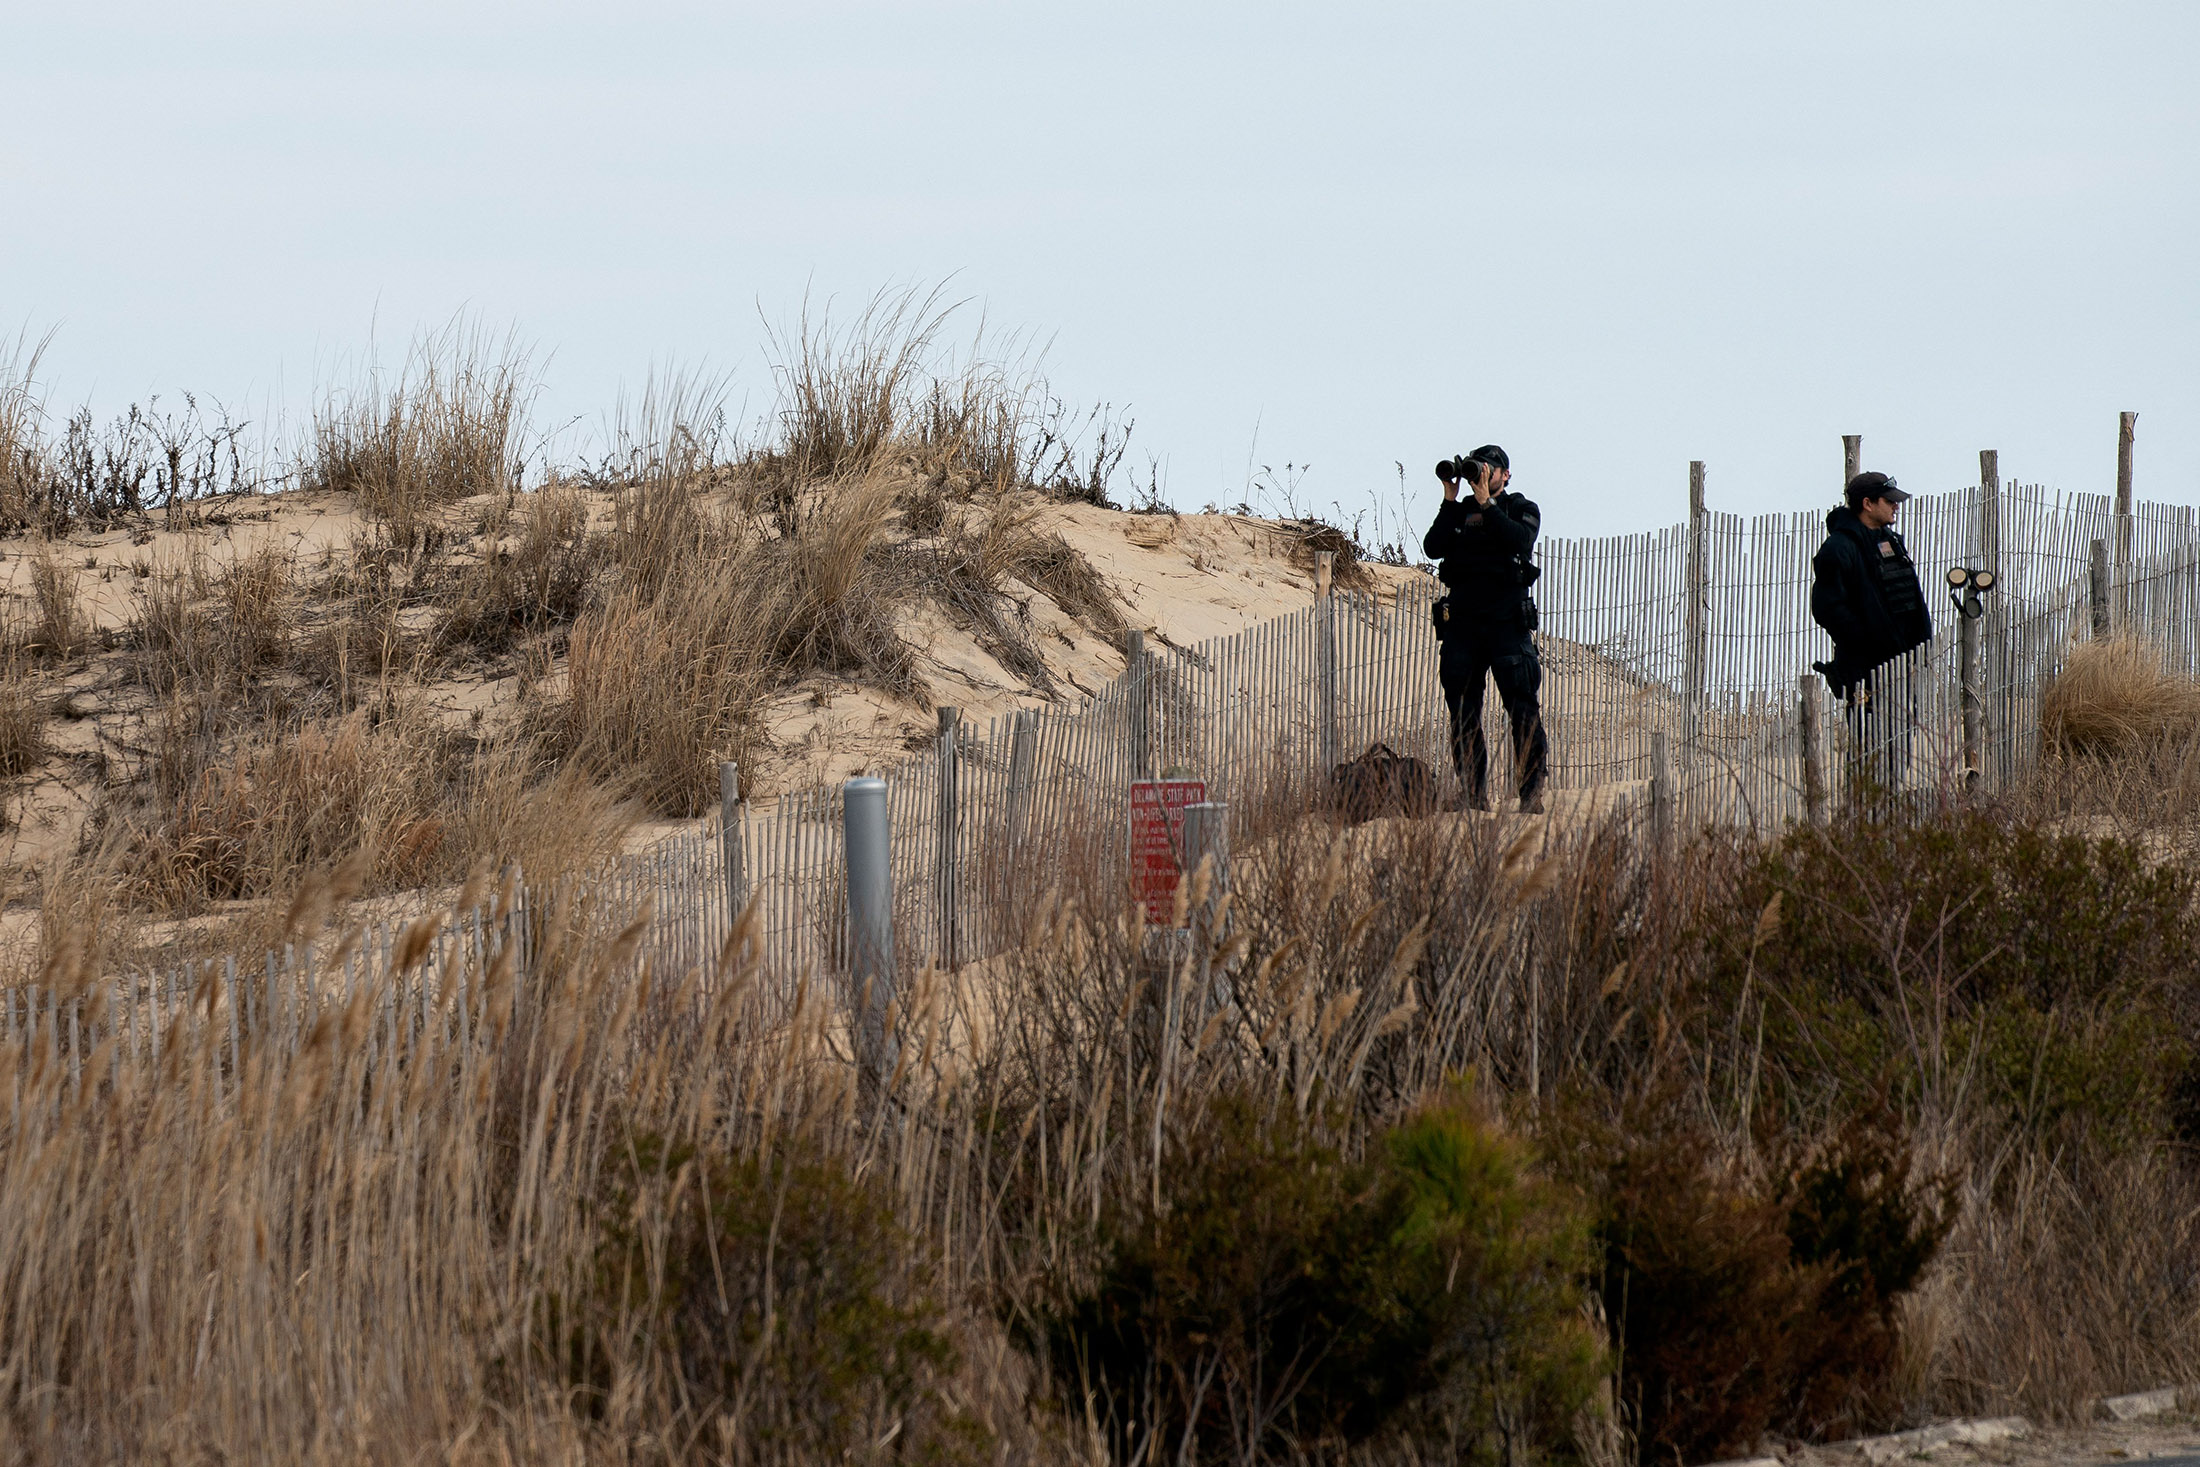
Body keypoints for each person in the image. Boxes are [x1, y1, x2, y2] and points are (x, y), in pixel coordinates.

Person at [1423, 445, 1547, 813]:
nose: (1482, 474)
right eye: (1478, 468)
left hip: (1507, 624)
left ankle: (1530, 796)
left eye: (1489, 469)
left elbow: (1520, 540)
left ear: (1505, 475)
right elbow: (1433, 547)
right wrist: (1450, 498)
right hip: (1463, 624)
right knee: (1462, 711)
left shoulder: (1520, 509)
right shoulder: (1460, 514)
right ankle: (1472, 794)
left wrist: (1488, 505)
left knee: (1522, 709)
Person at [1810, 470, 1932, 796]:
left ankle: (1888, 814)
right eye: (1889, 501)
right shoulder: (1839, 548)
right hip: (1866, 671)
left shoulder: (1889, 541)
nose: (1896, 507)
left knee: (1899, 742)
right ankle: (1865, 821)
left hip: (1901, 666)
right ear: (1867, 503)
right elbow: (1827, 608)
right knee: (1869, 747)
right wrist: (1868, 642)